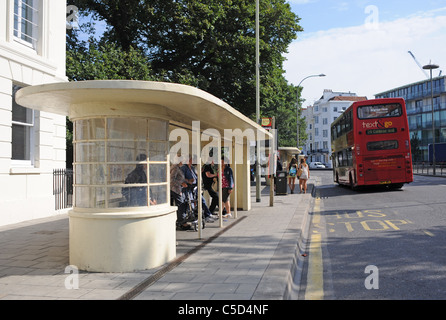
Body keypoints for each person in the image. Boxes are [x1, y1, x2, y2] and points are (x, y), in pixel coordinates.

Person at [170, 158, 190, 230]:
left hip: (178, 188)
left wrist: (186, 181)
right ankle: (181, 222)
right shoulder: (175, 168)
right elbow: (171, 179)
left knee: (182, 204)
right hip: (175, 189)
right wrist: (181, 183)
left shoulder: (178, 167)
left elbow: (179, 178)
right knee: (181, 204)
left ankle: (181, 221)